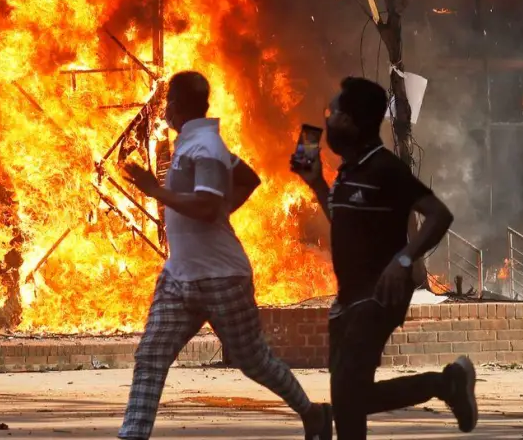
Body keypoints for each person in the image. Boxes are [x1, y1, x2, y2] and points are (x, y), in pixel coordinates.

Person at [119, 71, 332, 440]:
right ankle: (132, 435)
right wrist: (223, 210)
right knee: (151, 357)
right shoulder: (195, 142)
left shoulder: (205, 148)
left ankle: (313, 413)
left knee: (254, 362)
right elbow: (248, 178)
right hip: (180, 276)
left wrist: (157, 191)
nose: (164, 107)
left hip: (222, 277)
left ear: (178, 105)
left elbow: (205, 206)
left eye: (168, 100)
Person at [290, 76, 478, 437]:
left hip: (379, 294)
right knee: (349, 401)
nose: (326, 121)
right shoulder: (348, 171)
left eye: (333, 113)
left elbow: (439, 215)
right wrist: (316, 184)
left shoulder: (386, 169)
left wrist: (404, 259)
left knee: (347, 395)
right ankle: (446, 384)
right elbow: (344, 221)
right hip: (348, 299)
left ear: (351, 122)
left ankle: (445, 384)